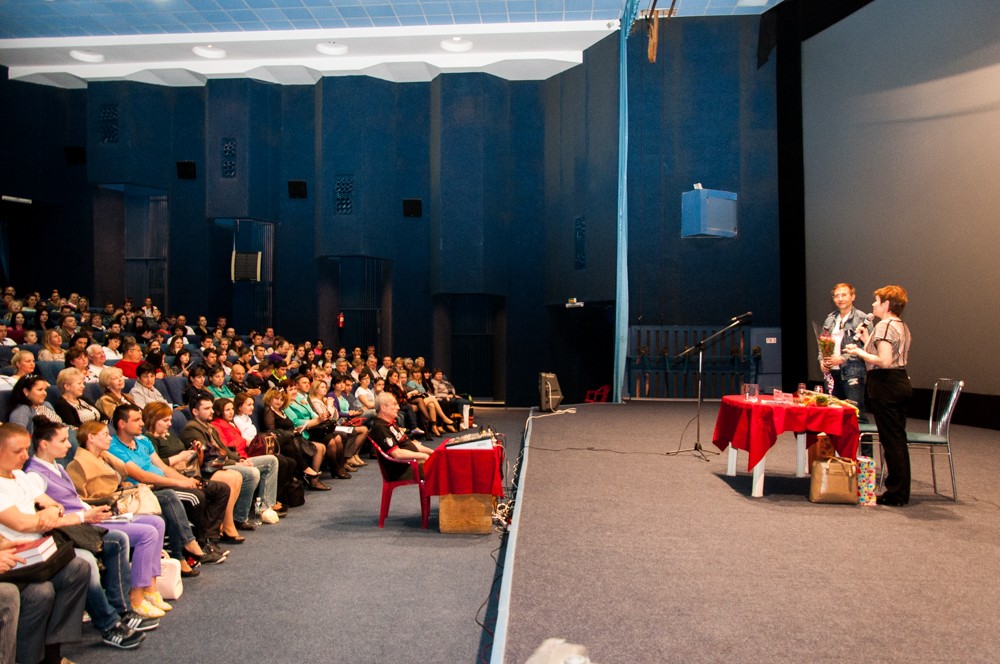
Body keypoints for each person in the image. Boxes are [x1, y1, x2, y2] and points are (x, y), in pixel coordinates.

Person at [0, 423, 143, 653]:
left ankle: (55, 650)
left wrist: (53, 513)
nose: (24, 456)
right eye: (18, 451)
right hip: (21, 554)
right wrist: (52, 515)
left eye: (26, 449)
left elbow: (54, 506)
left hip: (42, 545)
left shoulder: (20, 475)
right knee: (69, 571)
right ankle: (108, 624)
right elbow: (22, 523)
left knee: (79, 567)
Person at [26, 418, 167, 625]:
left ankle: (149, 589)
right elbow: (51, 510)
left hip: (87, 516)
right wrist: (86, 513)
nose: (69, 444)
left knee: (156, 523)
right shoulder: (34, 474)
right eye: (63, 440)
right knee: (146, 533)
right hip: (76, 527)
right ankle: (135, 598)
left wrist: (92, 510)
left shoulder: (56, 467)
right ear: (44, 444)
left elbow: (75, 500)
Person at [106, 405, 228, 567]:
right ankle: (198, 545)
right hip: (148, 489)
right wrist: (181, 483)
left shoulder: (143, 441)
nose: (142, 423)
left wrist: (188, 481)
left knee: (220, 489)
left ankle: (209, 540)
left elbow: (163, 468)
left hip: (165, 482)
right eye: (136, 420)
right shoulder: (114, 447)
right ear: (122, 424)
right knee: (196, 497)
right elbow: (142, 476)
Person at [844, 285, 913, 507]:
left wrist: (858, 351)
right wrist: (866, 339)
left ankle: (897, 493)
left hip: (886, 384)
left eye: (876, 301)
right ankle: (899, 490)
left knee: (891, 440)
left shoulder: (885, 325)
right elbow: (885, 354)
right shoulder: (901, 325)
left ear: (886, 304)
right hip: (899, 382)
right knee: (896, 439)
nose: (873, 305)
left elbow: (883, 361)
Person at [141, 402, 247, 546]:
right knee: (219, 485)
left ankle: (220, 528)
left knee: (231, 481)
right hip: (174, 476)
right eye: (165, 420)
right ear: (153, 419)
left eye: (170, 420)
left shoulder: (169, 435)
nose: (170, 424)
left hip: (189, 470)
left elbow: (183, 452)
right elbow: (157, 466)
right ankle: (212, 533)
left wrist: (193, 449)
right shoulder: (149, 439)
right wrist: (179, 458)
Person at [181, 396, 261, 532]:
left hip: (220, 463)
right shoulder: (192, 429)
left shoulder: (209, 427)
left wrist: (239, 459)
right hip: (206, 469)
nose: (212, 411)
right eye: (207, 408)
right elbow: (208, 456)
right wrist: (234, 462)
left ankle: (237, 518)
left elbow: (223, 449)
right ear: (195, 412)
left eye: (211, 408)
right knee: (250, 473)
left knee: (268, 462)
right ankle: (233, 519)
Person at [210, 397, 284, 520]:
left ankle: (265, 507)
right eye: (227, 410)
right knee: (254, 471)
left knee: (272, 460)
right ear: (219, 411)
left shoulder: (231, 424)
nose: (231, 412)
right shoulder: (216, 425)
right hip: (235, 459)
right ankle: (240, 516)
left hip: (244, 455)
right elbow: (226, 447)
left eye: (232, 409)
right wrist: (244, 445)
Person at [820, 283, 870, 424]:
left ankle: (862, 439)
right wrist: (822, 361)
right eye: (837, 296)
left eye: (844, 295)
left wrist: (842, 359)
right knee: (833, 415)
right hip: (832, 372)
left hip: (852, 372)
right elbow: (822, 343)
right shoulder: (830, 319)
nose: (840, 299)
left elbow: (868, 347)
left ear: (853, 297)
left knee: (856, 415)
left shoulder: (862, 318)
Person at [370, 393, 435, 481]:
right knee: (441, 468)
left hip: (411, 463)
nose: (398, 407)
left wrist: (432, 452)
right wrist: (423, 456)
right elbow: (397, 454)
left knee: (441, 461)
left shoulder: (390, 423)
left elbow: (408, 443)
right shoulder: (380, 428)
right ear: (383, 407)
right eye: (394, 404)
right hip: (402, 470)